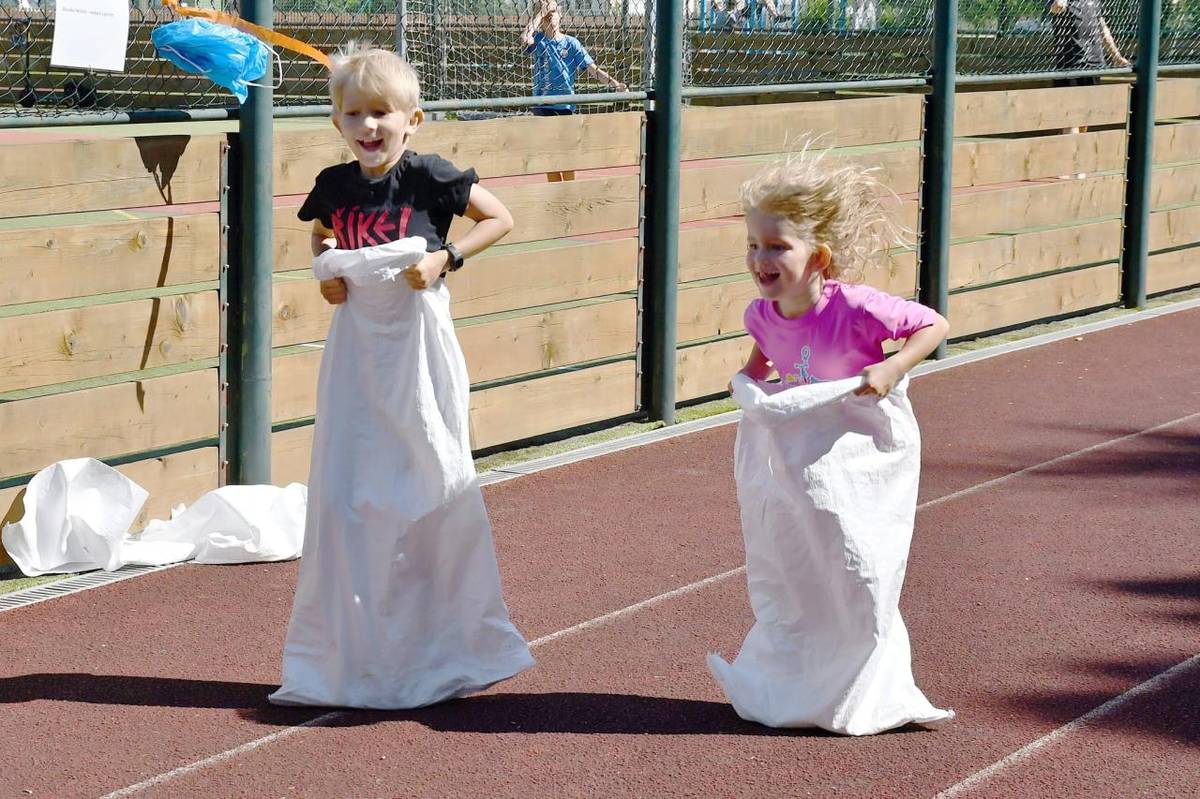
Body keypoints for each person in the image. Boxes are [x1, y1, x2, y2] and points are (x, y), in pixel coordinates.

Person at [269, 44, 534, 709]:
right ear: (337, 121)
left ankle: (448, 641)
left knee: (431, 481)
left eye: (382, 113)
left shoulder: (427, 177)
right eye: (354, 113)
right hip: (356, 353)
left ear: (411, 118)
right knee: (350, 493)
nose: (368, 126)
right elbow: (324, 236)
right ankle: (360, 649)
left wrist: (448, 257)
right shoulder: (335, 185)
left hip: (418, 350)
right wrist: (328, 276)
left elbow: (500, 217)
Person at [706, 153, 953, 734]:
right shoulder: (761, 314)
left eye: (775, 247)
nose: (759, 259)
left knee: (856, 562)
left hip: (858, 454)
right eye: (752, 245)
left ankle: (862, 676)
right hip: (802, 459)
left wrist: (893, 371)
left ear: (815, 256)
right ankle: (800, 675)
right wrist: (750, 382)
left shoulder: (855, 307)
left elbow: (933, 325)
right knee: (797, 566)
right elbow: (764, 361)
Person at [521, 0, 626, 116]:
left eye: (553, 11)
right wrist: (541, 13)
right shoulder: (538, 39)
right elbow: (525, 39)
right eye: (546, 13)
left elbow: (593, 70)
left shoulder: (571, 43)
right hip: (542, 105)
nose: (550, 14)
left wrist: (616, 84)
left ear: (560, 15)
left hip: (565, 105)